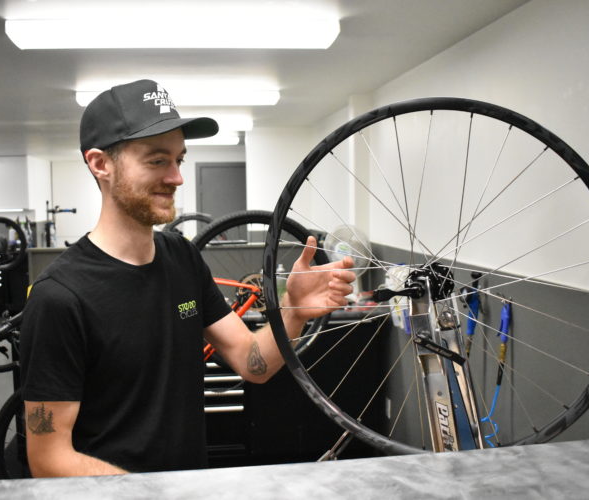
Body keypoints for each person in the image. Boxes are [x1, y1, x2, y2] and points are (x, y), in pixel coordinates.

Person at [19, 79, 356, 477]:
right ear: (100, 164)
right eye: (157, 160)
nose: (177, 177)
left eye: (179, 159)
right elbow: (48, 458)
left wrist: (293, 311)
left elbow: (254, 365)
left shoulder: (181, 258)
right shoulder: (60, 297)